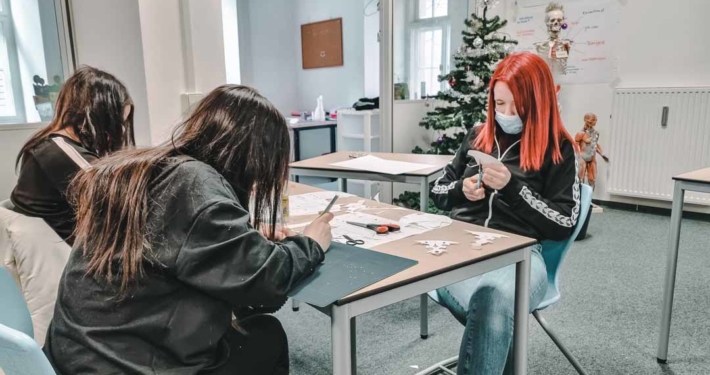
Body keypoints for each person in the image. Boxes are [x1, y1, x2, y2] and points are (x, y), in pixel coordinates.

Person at [43, 85, 333, 375]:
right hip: (124, 364)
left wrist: (243, 235)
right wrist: (311, 243)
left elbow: (180, 244)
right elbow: (265, 282)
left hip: (76, 355)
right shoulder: (195, 185)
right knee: (267, 336)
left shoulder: (153, 169)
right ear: (253, 156)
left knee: (245, 333)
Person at [430, 52, 580, 375]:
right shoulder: (477, 135)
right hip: (459, 253)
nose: (506, 114)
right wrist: (461, 189)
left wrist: (514, 188)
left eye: (517, 106)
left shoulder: (559, 148)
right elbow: (437, 191)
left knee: (494, 300)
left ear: (538, 103)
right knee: (493, 309)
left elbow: (565, 223)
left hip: (521, 258)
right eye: (499, 104)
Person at [11, 66, 135, 245]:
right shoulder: (58, 153)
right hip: (71, 258)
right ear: (99, 116)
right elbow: (119, 198)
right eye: (117, 123)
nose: (119, 131)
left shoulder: (49, 145)